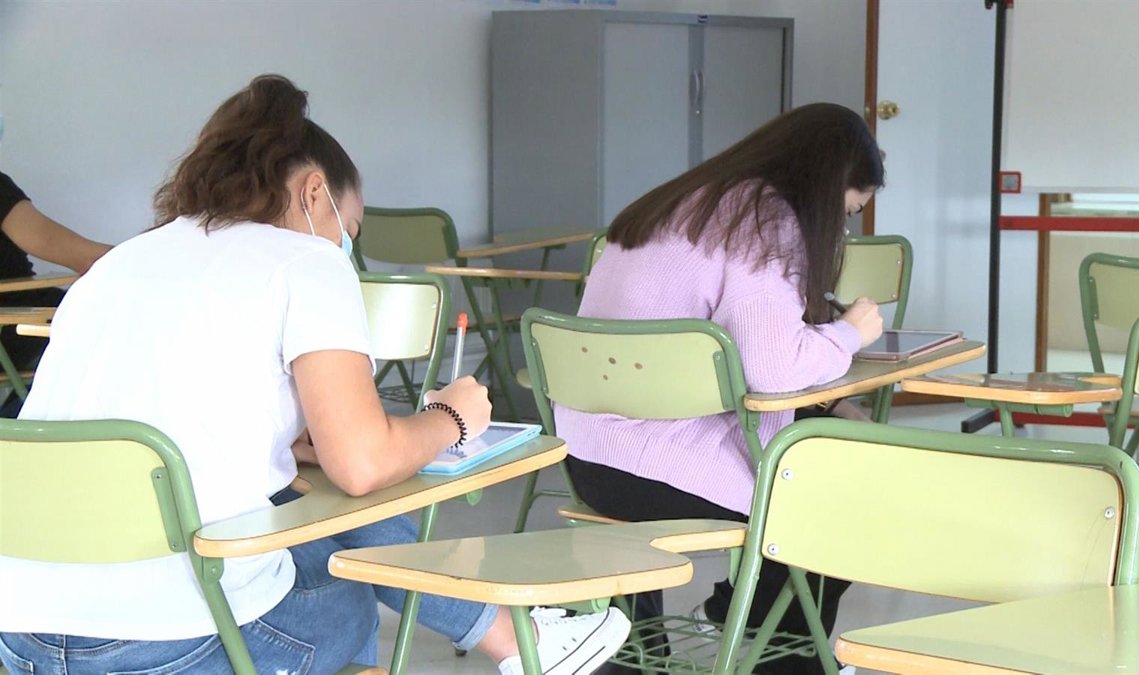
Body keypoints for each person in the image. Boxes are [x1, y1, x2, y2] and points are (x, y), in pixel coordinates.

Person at [0, 75, 628, 675]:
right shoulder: (304, 260)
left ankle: (520, 640)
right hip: (177, 646)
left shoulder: (121, 262)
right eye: (346, 230)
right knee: (346, 568)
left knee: (310, 522)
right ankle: (521, 642)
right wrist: (451, 417)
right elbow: (362, 465)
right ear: (312, 193)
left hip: (24, 637)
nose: (342, 248)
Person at [555, 103, 885, 675]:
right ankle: (779, 655)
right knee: (839, 488)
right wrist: (849, 332)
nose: (843, 227)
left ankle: (647, 649)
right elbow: (772, 369)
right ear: (826, 185)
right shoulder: (764, 220)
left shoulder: (682, 199)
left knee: (821, 451)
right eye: (848, 210)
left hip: (589, 461)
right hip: (658, 470)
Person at [0, 172, 111, 415]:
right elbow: (85, 257)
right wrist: (152, 257)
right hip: (21, 330)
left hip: (19, 334)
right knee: (117, 328)